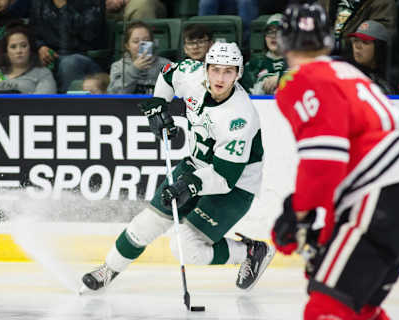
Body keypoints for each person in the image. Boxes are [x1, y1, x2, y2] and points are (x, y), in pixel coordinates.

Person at [271, 4, 399, 320]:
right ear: (329, 40)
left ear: (283, 42)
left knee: (326, 307)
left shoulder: (298, 80)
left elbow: (324, 161)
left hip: (381, 198)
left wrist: (298, 212)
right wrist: (325, 227)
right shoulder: (349, 73)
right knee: (360, 308)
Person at [81, 42, 274, 293]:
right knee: (145, 224)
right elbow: (169, 73)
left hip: (234, 187)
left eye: (228, 72)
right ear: (205, 69)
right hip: (196, 166)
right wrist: (159, 103)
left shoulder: (239, 118)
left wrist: (190, 185)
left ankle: (250, 252)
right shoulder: (193, 75)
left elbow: (225, 178)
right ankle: (108, 269)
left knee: (186, 248)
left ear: (238, 74)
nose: (220, 78)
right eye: (215, 70)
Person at [29, 0, 104, 93]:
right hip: (50, 57)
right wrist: (40, 47)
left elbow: (88, 34)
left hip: (83, 57)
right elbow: (32, 32)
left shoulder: (92, 2)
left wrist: (64, 8)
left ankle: (66, 105)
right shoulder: (39, 2)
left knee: (69, 63)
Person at [0, 23, 56, 94]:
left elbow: (43, 105)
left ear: (30, 49)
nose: (19, 51)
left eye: (23, 46)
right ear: (6, 52)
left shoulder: (43, 73)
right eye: (13, 47)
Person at [107, 21, 170, 94]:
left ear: (152, 43)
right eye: (136, 41)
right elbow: (114, 94)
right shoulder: (118, 66)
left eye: (146, 40)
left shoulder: (165, 65)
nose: (141, 45)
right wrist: (134, 69)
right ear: (127, 46)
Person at [318, 0, 398, 56]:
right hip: (323, 56)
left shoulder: (381, 3)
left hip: (356, 63)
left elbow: (381, 40)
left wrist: (340, 45)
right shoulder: (326, 2)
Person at [240, 13, 288, 95]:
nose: (273, 36)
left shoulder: (296, 62)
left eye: (278, 32)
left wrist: (281, 78)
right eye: (270, 32)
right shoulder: (253, 64)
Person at [347, 20, 394, 94]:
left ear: (379, 48)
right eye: (355, 41)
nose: (357, 46)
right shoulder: (346, 73)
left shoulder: (394, 75)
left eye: (365, 42)